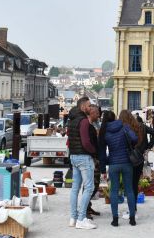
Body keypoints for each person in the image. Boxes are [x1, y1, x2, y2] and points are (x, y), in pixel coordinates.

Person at [99, 110, 139, 227]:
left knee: (114, 191)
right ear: (115, 117)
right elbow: (134, 138)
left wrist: (105, 164)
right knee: (129, 190)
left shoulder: (104, 131)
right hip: (127, 162)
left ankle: (115, 219)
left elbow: (102, 152)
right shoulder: (124, 126)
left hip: (113, 164)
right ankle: (132, 218)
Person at [67, 96, 99, 230]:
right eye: (88, 105)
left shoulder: (72, 121)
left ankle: (73, 218)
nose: (90, 107)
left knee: (75, 188)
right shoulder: (84, 121)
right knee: (89, 187)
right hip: (84, 157)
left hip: (73, 156)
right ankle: (81, 219)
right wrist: (94, 152)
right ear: (82, 107)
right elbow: (86, 142)